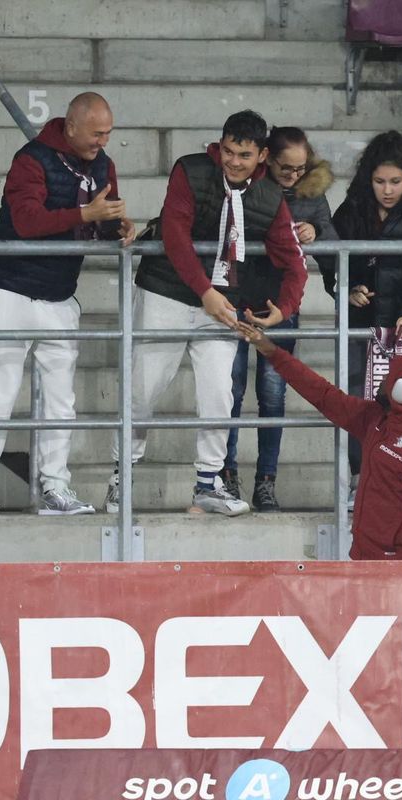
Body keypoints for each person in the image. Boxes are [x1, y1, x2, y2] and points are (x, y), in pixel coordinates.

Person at [106, 110, 308, 516]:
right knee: (143, 388)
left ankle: (208, 483)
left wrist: (283, 309)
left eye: (245, 155)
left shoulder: (270, 196)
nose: (234, 161)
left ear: (262, 155)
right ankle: (121, 477)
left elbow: (295, 263)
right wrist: (205, 292)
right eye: (229, 151)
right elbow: (175, 235)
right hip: (165, 292)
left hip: (223, 303)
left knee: (220, 393)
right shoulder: (190, 169)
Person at [0, 92, 135, 515]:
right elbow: (26, 221)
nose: (102, 142)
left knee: (60, 401)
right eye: (96, 134)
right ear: (70, 126)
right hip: (10, 290)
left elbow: (98, 221)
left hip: (60, 295)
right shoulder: (30, 159)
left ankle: (56, 487)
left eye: (107, 134)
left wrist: (118, 227)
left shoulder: (103, 165)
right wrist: (85, 215)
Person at [237, 322, 402, 560]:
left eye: (389, 376)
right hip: (361, 559)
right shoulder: (374, 418)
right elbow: (321, 393)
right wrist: (271, 351)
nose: (382, 380)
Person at [324, 130, 402, 502]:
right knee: (359, 403)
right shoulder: (353, 206)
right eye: (380, 182)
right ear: (369, 179)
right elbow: (333, 256)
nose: (387, 190)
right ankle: (361, 481)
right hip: (363, 321)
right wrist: (347, 288)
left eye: (395, 181)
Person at [220, 126, 338, 512]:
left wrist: (316, 231)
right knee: (231, 391)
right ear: (267, 159)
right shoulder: (246, 186)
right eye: (286, 168)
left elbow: (334, 242)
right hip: (236, 300)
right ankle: (226, 475)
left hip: (281, 305)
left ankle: (266, 481)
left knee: (272, 395)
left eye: (300, 169)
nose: (293, 176)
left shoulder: (311, 194)